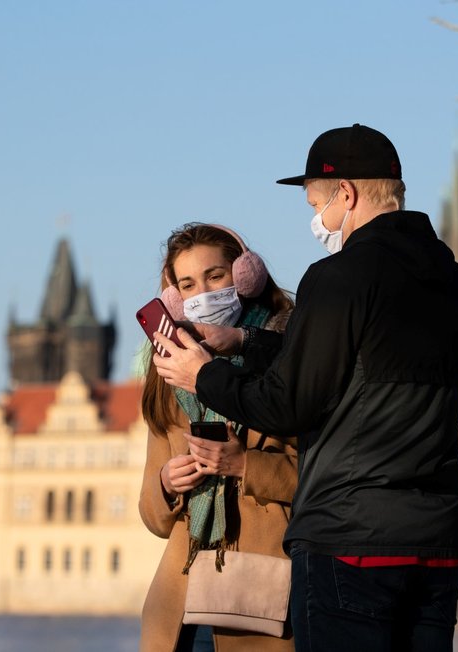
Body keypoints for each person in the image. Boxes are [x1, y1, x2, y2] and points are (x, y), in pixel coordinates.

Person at [153, 125, 458, 652]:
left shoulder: (340, 275)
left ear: (345, 195)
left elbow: (287, 403)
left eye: (315, 203)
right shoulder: (454, 282)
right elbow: (357, 367)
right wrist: (244, 339)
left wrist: (202, 376)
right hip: (436, 540)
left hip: (350, 540)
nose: (316, 219)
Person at [138, 223, 297, 652]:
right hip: (179, 604)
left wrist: (243, 464)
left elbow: (321, 476)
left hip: (258, 599)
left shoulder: (288, 353)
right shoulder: (168, 373)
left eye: (215, 276)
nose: (203, 293)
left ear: (245, 276)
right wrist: (168, 484)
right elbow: (152, 516)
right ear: (174, 298)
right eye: (187, 284)